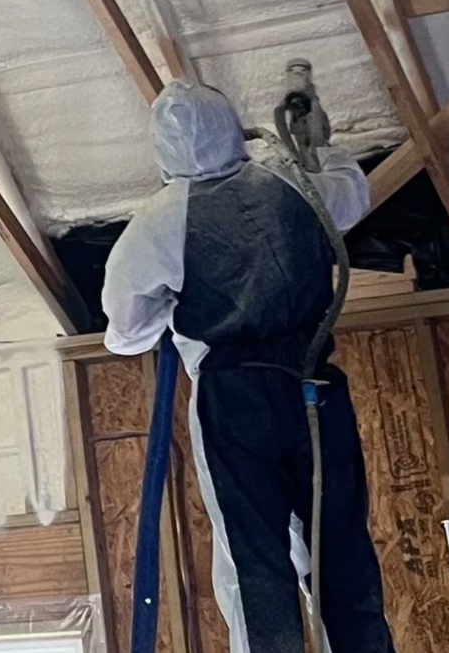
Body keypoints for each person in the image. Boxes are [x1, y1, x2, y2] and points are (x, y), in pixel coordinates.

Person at [101, 79, 392, 653]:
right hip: (315, 381)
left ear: (162, 152)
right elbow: (352, 196)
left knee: (253, 553)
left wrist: (174, 307)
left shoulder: (157, 225)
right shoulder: (290, 182)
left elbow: (127, 330)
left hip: (235, 397)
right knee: (340, 544)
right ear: (234, 127)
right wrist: (322, 149)